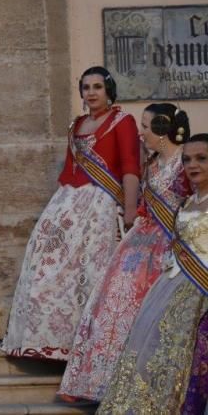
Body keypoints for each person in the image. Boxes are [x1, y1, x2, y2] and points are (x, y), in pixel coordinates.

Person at [2, 67, 141, 361]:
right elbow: (69, 172)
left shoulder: (122, 121)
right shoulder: (76, 125)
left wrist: (130, 211)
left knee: (92, 270)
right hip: (69, 201)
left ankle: (93, 346)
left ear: (109, 91)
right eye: (86, 87)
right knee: (47, 262)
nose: (91, 93)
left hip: (102, 206)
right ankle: (53, 341)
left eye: (97, 87)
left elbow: (130, 168)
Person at [59, 103, 190, 401]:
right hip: (141, 241)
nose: (141, 133)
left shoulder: (186, 160)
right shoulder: (152, 163)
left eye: (146, 127)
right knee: (115, 299)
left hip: (170, 246)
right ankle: (103, 382)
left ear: (161, 130)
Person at [98, 134, 208, 414]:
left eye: (201, 158)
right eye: (187, 159)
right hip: (170, 290)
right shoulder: (185, 203)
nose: (192, 165)